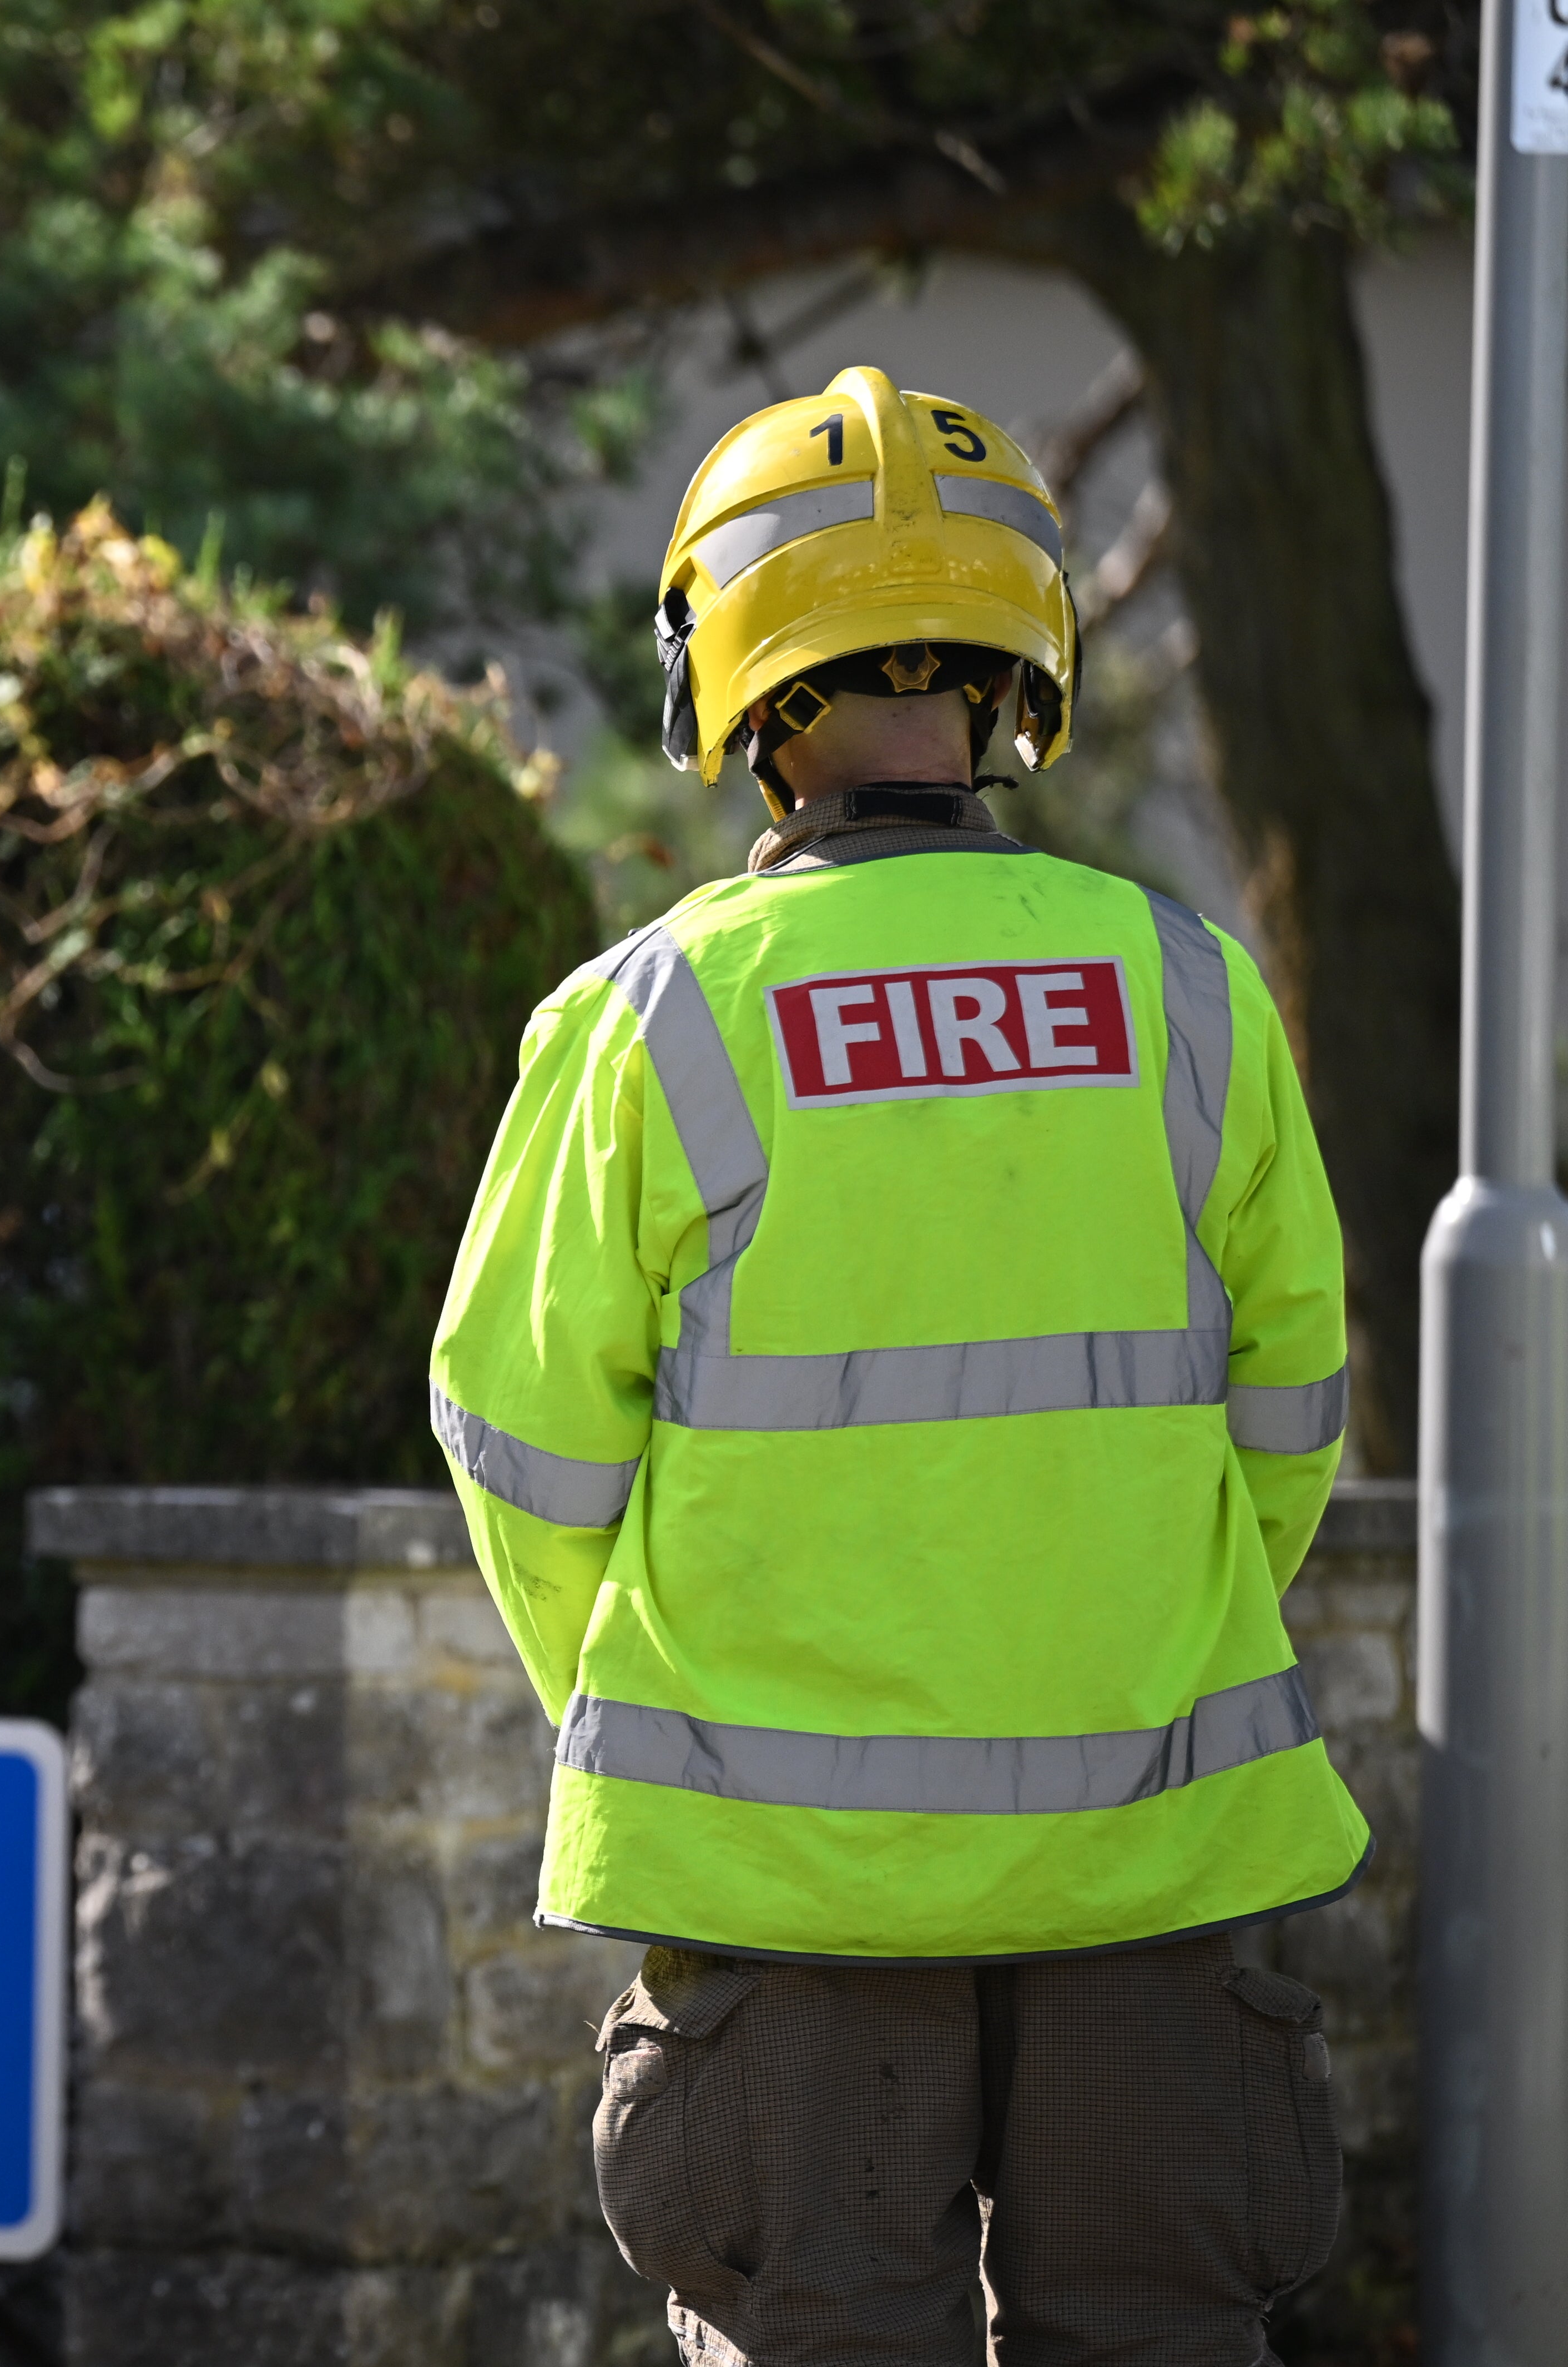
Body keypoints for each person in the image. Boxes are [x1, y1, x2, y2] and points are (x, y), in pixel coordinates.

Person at [428, 367, 1360, 2360]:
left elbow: (519, 1453)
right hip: (1153, 1865)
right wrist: (1123, 1652)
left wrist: (680, 1710)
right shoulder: (1188, 989)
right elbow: (1290, 1418)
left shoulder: (654, 1018)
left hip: (791, 1903)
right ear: (1025, 660)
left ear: (734, 676)